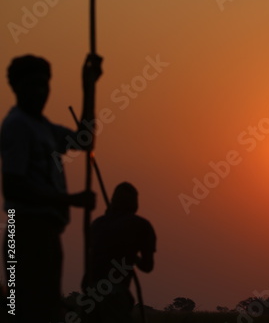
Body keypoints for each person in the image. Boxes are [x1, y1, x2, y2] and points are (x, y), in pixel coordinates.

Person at [1, 54, 101, 322]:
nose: (40, 92)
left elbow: (84, 140)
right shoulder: (17, 126)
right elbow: (13, 186)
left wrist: (89, 86)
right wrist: (68, 200)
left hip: (45, 230)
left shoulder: (43, 128)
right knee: (26, 310)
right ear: (16, 86)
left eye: (44, 85)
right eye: (33, 85)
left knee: (45, 309)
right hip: (22, 229)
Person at [83, 182, 156, 323]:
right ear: (134, 203)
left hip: (90, 293)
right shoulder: (141, 225)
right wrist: (134, 258)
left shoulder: (98, 224)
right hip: (114, 293)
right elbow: (148, 266)